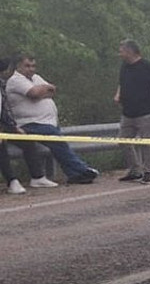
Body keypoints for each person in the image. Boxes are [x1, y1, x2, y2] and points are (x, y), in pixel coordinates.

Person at [5, 54, 100, 184]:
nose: (31, 69)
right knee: (58, 141)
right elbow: (35, 93)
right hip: (29, 124)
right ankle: (81, 170)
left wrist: (40, 92)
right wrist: (41, 92)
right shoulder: (16, 80)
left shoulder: (35, 78)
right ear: (18, 66)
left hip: (46, 122)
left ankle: (75, 174)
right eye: (27, 66)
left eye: (33, 66)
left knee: (58, 144)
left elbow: (52, 90)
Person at [114, 39, 150, 184]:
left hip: (146, 112)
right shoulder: (124, 67)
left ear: (130, 51)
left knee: (146, 142)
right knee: (123, 140)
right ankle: (135, 169)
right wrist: (118, 94)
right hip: (128, 112)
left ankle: (148, 171)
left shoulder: (148, 67)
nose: (120, 54)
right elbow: (121, 82)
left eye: (122, 50)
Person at [0, 57, 25, 194]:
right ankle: (12, 180)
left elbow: (4, 109)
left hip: (3, 125)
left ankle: (37, 176)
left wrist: (13, 126)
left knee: (27, 141)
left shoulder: (2, 85)